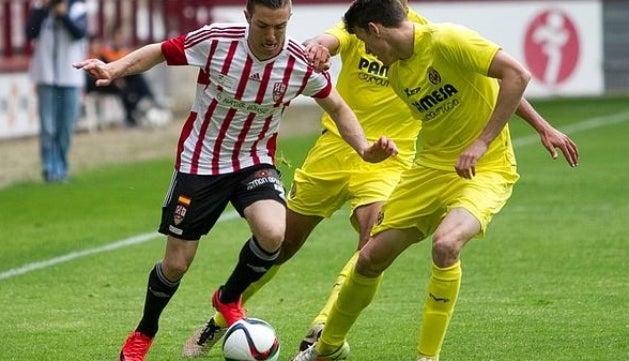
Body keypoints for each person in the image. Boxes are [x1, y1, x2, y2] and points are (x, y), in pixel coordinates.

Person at [183, 0, 580, 358]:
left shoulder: (434, 37)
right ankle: (222, 319)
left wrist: (529, 128)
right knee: (284, 244)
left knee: (394, 242)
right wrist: (318, 48)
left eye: (369, 43)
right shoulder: (371, 37)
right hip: (341, 151)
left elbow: (500, 76)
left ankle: (324, 333)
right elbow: (331, 39)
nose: (369, 52)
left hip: (395, 160)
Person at [73, 1, 397, 360]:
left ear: (289, 19)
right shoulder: (216, 41)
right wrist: (113, 69)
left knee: (275, 234)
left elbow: (337, 107)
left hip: (253, 161)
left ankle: (228, 298)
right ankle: (145, 330)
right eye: (263, 26)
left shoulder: (298, 63)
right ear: (247, 17)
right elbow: (160, 52)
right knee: (176, 265)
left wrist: (364, 148)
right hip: (200, 162)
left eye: (280, 26)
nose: (272, 36)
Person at [26, 0, 88, 183]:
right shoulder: (39, 7)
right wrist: (45, 10)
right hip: (46, 75)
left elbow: (79, 33)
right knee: (48, 127)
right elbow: (30, 32)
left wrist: (63, 14)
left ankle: (61, 166)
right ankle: (50, 169)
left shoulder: (77, 7)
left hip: (70, 76)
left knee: (65, 127)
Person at [85, 25, 164, 128]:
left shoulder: (119, 52)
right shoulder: (96, 56)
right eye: (95, 43)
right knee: (124, 87)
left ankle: (145, 100)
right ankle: (135, 110)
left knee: (136, 76)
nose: (97, 46)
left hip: (113, 81)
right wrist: (116, 79)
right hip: (99, 85)